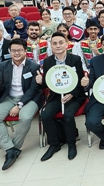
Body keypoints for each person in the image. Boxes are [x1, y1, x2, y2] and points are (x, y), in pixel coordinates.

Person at [0, 39, 42, 170]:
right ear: (9, 51)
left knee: (25, 117)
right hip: (9, 97)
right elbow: (0, 83)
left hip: (29, 98)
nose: (16, 53)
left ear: (25, 51)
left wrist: (19, 105)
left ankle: (15, 147)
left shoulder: (34, 66)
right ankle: (10, 149)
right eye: (13, 50)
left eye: (19, 50)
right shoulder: (4, 65)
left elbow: (33, 89)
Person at [37, 32, 87, 161]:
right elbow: (47, 83)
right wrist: (40, 81)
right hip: (56, 96)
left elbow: (80, 80)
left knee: (68, 115)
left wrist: (71, 94)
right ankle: (54, 144)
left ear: (66, 44)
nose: (58, 45)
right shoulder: (48, 61)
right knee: (45, 115)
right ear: (51, 46)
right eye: (54, 43)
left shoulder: (75, 59)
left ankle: (71, 144)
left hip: (74, 95)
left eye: (60, 43)